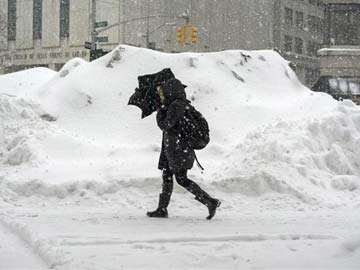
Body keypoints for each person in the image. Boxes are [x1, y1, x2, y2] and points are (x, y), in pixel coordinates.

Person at [147, 78, 221, 220]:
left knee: (181, 179)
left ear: (171, 91)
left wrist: (160, 111)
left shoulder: (176, 106)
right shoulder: (176, 105)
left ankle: (210, 202)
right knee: (167, 176)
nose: (161, 95)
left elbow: (165, 125)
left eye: (163, 92)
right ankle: (162, 209)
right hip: (174, 148)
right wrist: (163, 107)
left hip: (179, 149)